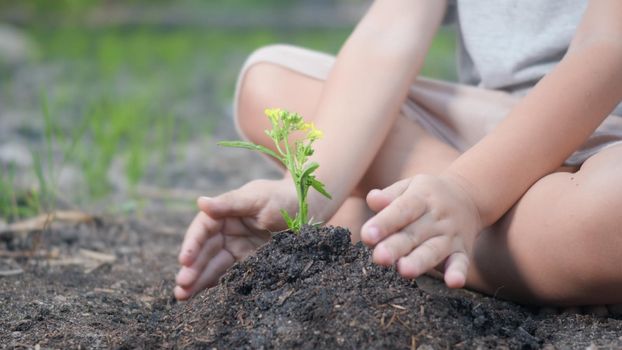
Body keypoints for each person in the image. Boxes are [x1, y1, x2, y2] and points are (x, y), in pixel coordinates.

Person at [174, 0, 622, 312]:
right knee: (268, 83)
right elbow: (389, 33)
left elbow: (606, 47)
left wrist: (469, 193)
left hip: (608, 134)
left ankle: (383, 224)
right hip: (491, 125)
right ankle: (526, 246)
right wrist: (305, 192)